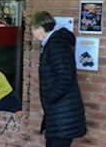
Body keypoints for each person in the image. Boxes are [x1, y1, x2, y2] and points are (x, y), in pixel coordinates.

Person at [31, 11, 87, 147]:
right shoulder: (52, 43)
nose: (32, 33)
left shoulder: (56, 45)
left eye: (32, 29)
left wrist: (49, 97)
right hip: (58, 112)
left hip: (62, 113)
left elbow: (65, 76)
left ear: (39, 28)